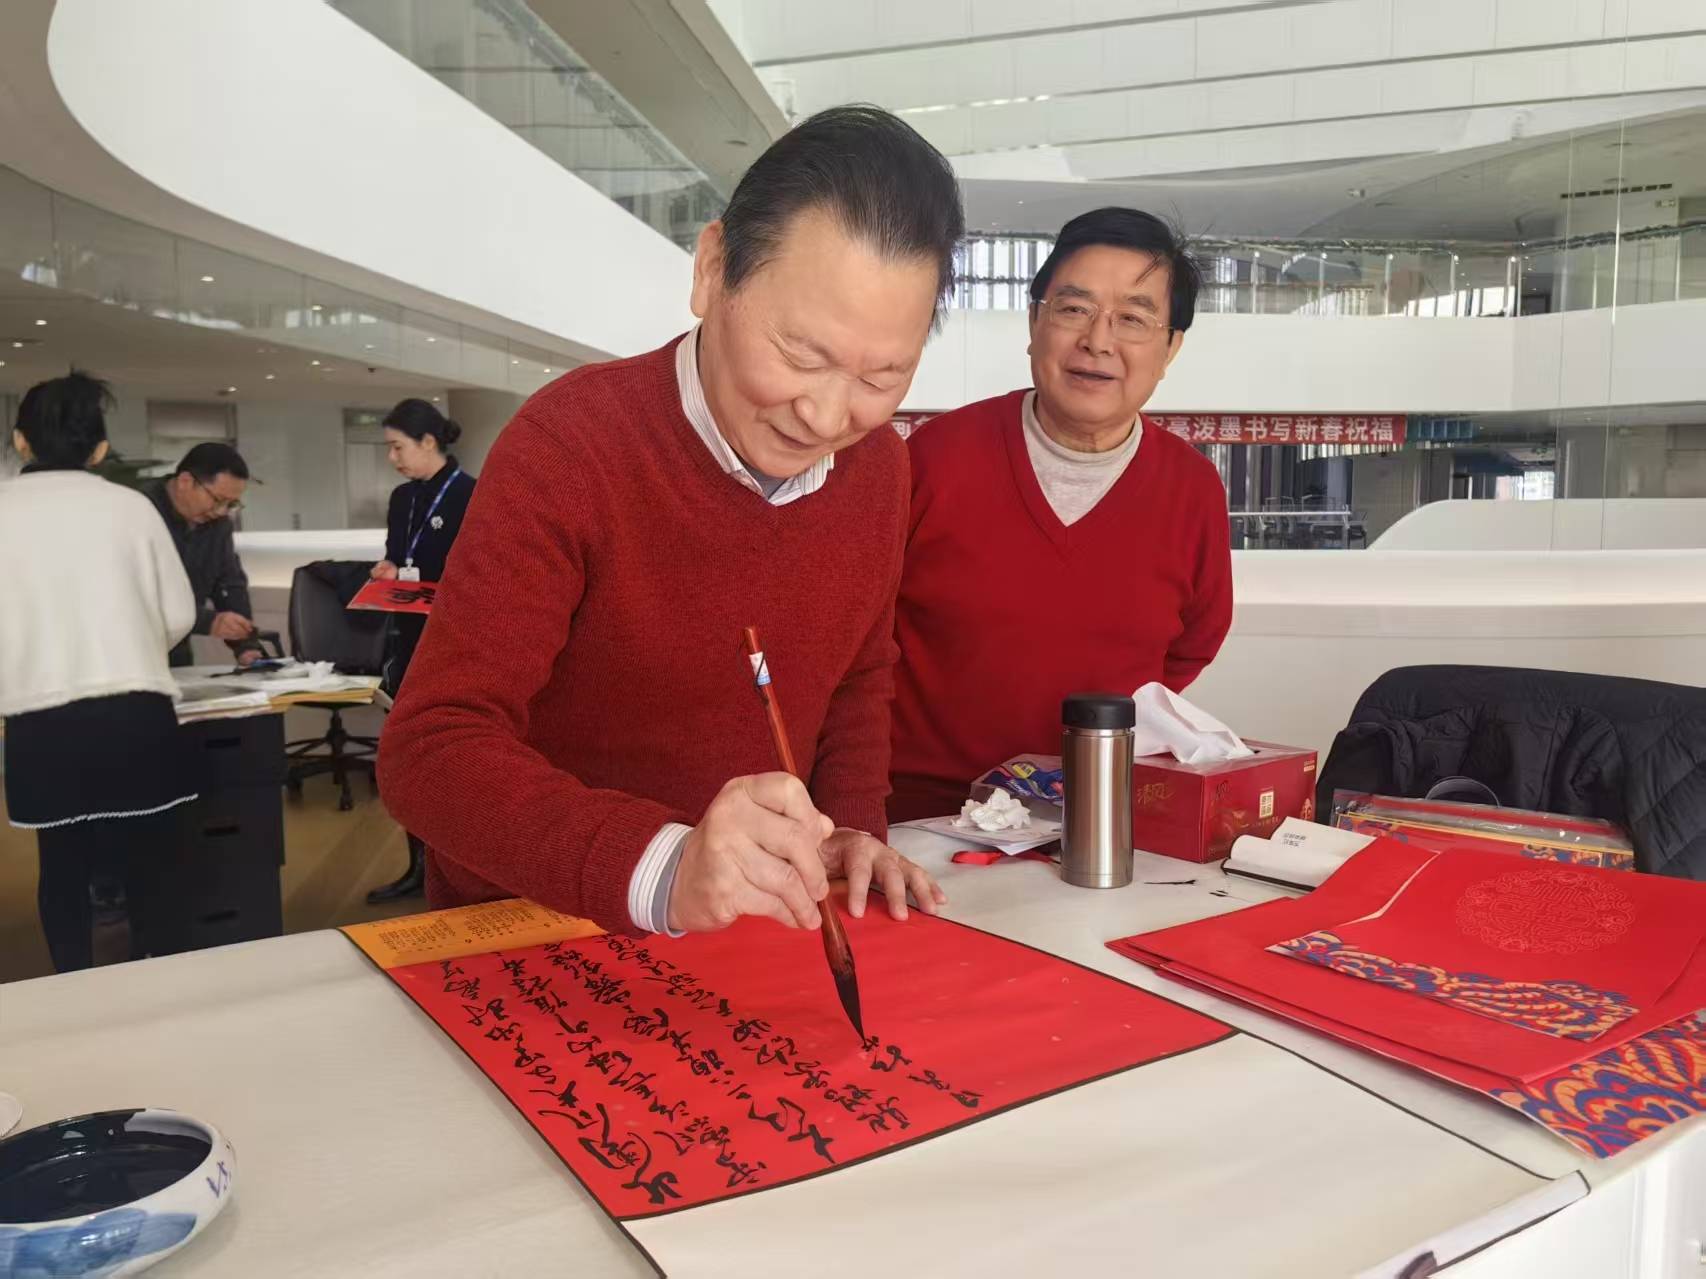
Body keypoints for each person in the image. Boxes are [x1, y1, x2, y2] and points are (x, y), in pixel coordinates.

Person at [379, 105, 959, 937]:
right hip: (536, 930)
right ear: (713, 270)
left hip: (756, 938)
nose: (829, 415)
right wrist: (664, 866)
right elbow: (432, 749)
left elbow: (857, 673)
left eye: (882, 377)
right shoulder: (571, 444)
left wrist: (851, 827)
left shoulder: (879, 469)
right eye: (801, 355)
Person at [888, 208, 1234, 821]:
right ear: (1034, 322)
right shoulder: (934, 458)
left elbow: (1191, 645)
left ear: (1171, 347)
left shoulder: (1193, 489)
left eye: (1132, 318)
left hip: (1096, 817)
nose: (1098, 340)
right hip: (925, 820)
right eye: (1074, 309)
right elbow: (861, 639)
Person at [0, 372, 197, 972]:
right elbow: (179, 613)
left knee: (62, 867)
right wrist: (130, 647)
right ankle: (158, 983)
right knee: (150, 867)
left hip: (39, 717)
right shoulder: (132, 507)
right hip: (135, 711)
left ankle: (72, 987)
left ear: (21, 441)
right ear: (100, 449)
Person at [363, 398, 476, 903]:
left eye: (397, 447)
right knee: (413, 759)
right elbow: (397, 556)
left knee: (452, 759)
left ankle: (458, 871)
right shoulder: (402, 498)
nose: (392, 458)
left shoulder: (471, 494)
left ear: (429, 442)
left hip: (455, 645)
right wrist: (388, 570)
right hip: (407, 642)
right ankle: (418, 867)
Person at [145, 441, 261, 667]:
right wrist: (208, 622)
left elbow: (229, 582)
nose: (221, 511)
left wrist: (245, 644)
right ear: (185, 482)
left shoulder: (218, 525)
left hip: (178, 656)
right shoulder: (138, 511)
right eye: (218, 500)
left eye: (231, 503)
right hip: (130, 655)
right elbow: (137, 593)